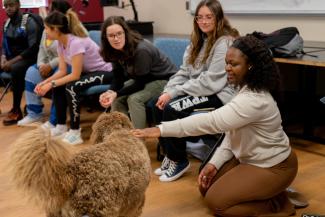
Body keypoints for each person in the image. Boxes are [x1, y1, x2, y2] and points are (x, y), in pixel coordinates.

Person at [132, 35, 298, 216]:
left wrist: (160, 130)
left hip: (273, 166)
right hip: (249, 158)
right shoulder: (242, 88)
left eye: (233, 64)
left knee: (217, 204)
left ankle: (278, 204)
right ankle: (267, 193)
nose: (227, 68)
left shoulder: (255, 99)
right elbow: (230, 134)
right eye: (227, 62)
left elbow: (211, 122)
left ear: (251, 66)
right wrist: (214, 164)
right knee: (206, 186)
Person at [150, 0, 239, 182]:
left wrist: (175, 94)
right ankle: (170, 154)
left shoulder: (224, 42)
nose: (204, 21)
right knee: (155, 104)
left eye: (209, 17)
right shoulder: (197, 41)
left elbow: (211, 82)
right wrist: (168, 91)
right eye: (200, 17)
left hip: (219, 95)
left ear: (218, 18)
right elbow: (183, 72)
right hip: (200, 90)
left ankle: (179, 160)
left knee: (172, 108)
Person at [34, 11, 113, 145]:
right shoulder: (60, 42)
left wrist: (50, 84)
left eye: (46, 28)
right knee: (58, 84)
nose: (45, 31)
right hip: (89, 73)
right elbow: (63, 71)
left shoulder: (75, 42)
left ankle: (75, 132)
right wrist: (45, 82)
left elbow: (75, 75)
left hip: (106, 72)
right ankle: (61, 126)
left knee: (71, 86)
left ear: (56, 29)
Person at [98, 16, 177, 129]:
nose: (116, 39)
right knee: (116, 100)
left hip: (165, 80)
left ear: (125, 33)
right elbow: (118, 77)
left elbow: (140, 83)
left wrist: (116, 93)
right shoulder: (114, 50)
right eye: (111, 35)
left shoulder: (141, 50)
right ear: (105, 38)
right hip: (145, 79)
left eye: (119, 33)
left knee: (134, 99)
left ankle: (138, 141)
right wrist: (110, 92)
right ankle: (123, 137)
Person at [17, 0, 72, 129]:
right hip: (47, 65)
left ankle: (55, 120)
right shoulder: (47, 29)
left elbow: (67, 55)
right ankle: (34, 114)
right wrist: (41, 64)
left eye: (51, 10)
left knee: (59, 74)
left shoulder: (70, 32)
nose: (48, 12)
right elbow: (41, 49)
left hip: (63, 65)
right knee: (31, 71)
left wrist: (50, 66)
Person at [0, 0, 43, 125]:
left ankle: (16, 109)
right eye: (6, 6)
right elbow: (4, 44)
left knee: (16, 68)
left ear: (18, 5)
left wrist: (11, 62)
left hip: (31, 58)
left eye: (11, 5)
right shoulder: (6, 23)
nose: (8, 8)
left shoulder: (29, 21)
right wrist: (3, 58)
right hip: (13, 59)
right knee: (13, 66)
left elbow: (34, 48)